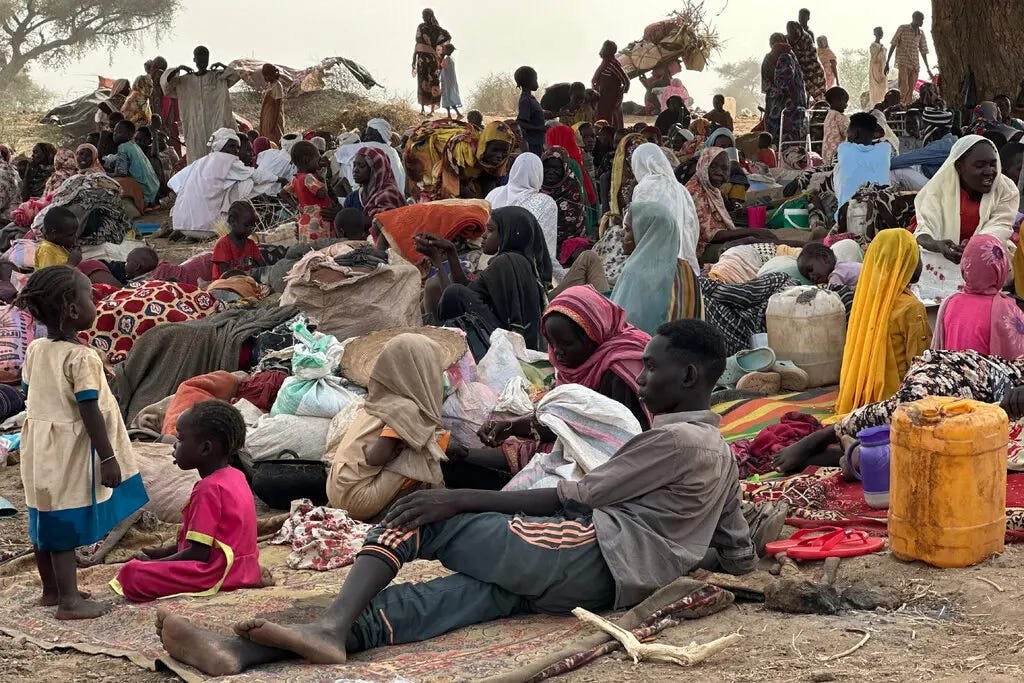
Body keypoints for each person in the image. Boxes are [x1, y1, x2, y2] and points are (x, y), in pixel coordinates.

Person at [154, 318, 759, 676]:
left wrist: (463, 500)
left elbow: (574, 497)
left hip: (592, 554)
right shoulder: (717, 449)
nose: (641, 377)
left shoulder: (674, 440)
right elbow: (736, 547)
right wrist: (699, 559)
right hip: (603, 580)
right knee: (446, 601)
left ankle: (333, 624)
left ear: (689, 377)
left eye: (651, 368)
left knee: (422, 515)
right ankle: (240, 654)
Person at [17, 266, 148, 619]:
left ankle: (51, 591)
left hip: (40, 448)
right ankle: (70, 602)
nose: (96, 302)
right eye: (90, 296)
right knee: (65, 520)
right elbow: (89, 409)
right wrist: (108, 457)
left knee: (44, 515)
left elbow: (31, 391)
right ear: (72, 309)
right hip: (68, 450)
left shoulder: (37, 348)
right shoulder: (81, 357)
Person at [112, 401, 266, 601]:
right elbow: (207, 542)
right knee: (143, 565)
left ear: (205, 448)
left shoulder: (208, 488)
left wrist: (156, 564)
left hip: (219, 573)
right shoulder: (237, 476)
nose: (174, 445)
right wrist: (161, 553)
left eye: (181, 439)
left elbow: (199, 553)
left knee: (131, 573)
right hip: (245, 567)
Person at [327, 334, 450, 520]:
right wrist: (401, 450)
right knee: (427, 448)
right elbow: (375, 457)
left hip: (336, 490)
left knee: (424, 440)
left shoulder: (377, 402)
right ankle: (403, 513)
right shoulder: (404, 409)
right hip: (357, 499)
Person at [420, 206, 551, 355]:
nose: (483, 235)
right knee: (450, 286)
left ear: (507, 234)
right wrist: (451, 251)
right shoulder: (518, 260)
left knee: (453, 291)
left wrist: (436, 261)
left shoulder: (506, 262)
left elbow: (455, 298)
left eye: (490, 230)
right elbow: (469, 289)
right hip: (511, 339)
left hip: (505, 345)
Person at [833, 228, 929, 415]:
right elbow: (920, 363)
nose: (920, 264)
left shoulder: (866, 297)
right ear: (903, 262)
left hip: (863, 396)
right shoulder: (911, 307)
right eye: (916, 256)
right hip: (895, 402)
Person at [541, 285, 651, 427]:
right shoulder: (578, 364)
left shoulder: (619, 371)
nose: (557, 351)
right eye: (552, 343)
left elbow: (625, 430)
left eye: (566, 343)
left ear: (594, 334)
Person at [914, 135, 1017, 264]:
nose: (989, 171)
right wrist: (937, 245)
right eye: (980, 165)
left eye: (993, 164)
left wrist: (975, 245)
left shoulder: (1005, 189)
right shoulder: (938, 189)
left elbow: (1000, 226)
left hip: (986, 256)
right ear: (959, 167)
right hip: (942, 256)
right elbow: (923, 230)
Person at [612, 202, 701, 334]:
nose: (622, 234)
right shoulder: (686, 269)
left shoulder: (636, 272)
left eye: (628, 229)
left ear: (645, 233)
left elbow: (620, 327)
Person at [931, 234, 1024, 359]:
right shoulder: (1008, 311)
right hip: (987, 372)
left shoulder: (949, 302)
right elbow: (1018, 360)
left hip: (952, 371)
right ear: (1001, 266)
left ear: (965, 264)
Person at [630, 142, 700, 273]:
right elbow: (694, 228)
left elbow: (637, 227)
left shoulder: (645, 187)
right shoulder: (682, 189)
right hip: (686, 264)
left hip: (656, 261)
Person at [162, 46, 240, 162]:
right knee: (197, 163)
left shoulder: (218, 77)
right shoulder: (185, 81)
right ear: (194, 59)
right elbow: (166, 87)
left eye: (205, 56)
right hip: (195, 129)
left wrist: (223, 66)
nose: (203, 59)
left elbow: (236, 75)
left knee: (220, 160)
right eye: (199, 56)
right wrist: (178, 69)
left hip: (217, 126)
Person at [485, 153, 560, 274]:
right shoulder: (545, 202)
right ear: (539, 174)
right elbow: (545, 248)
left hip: (486, 260)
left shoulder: (494, 193)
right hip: (523, 267)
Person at [686, 147, 764, 261]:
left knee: (756, 242)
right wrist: (753, 231)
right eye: (713, 166)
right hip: (698, 250)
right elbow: (711, 235)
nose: (719, 172)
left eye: (724, 168)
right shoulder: (694, 191)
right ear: (703, 165)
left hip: (713, 243)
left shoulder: (713, 190)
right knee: (750, 248)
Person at [834, 112, 892, 212]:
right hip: (879, 212)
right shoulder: (882, 158)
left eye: (849, 131)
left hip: (851, 214)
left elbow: (843, 199)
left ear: (855, 134)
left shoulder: (844, 163)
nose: (847, 134)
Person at [764, 34, 807, 147]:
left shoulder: (784, 57)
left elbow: (783, 83)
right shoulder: (789, 56)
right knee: (790, 137)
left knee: (781, 136)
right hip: (789, 104)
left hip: (782, 105)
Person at [889, 106, 956, 180]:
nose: (923, 131)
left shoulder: (944, 146)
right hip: (927, 173)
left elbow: (913, 157)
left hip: (935, 182)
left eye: (926, 127)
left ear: (938, 129)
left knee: (898, 172)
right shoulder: (948, 142)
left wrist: (885, 164)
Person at [105, 119, 160, 207]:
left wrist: (105, 174)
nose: (115, 134)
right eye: (115, 131)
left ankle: (141, 202)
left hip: (145, 192)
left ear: (129, 135)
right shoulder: (134, 145)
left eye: (119, 132)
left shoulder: (123, 147)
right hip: (153, 189)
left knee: (113, 182)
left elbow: (121, 173)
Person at [541, 147, 588, 246]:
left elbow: (573, 223)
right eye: (547, 167)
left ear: (564, 168)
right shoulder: (536, 186)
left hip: (569, 243)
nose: (551, 171)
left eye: (556, 168)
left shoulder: (572, 187)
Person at [288, 140, 333, 242]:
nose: (318, 162)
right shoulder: (308, 177)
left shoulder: (296, 179)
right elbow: (322, 193)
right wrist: (322, 179)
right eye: (317, 159)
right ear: (307, 160)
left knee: (308, 248)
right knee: (321, 247)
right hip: (317, 222)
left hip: (305, 221)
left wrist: (296, 206)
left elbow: (283, 193)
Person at [886, 11, 933, 106]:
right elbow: (893, 44)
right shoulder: (903, 28)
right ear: (915, 18)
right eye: (921, 20)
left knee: (911, 90)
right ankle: (900, 107)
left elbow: (923, 51)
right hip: (903, 62)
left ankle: (906, 108)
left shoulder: (921, 33)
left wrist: (928, 69)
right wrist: (887, 63)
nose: (922, 22)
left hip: (915, 65)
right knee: (904, 88)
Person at [349, 146, 405, 221]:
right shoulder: (355, 196)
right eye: (354, 165)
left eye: (361, 166)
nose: (355, 170)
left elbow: (384, 222)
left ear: (375, 170)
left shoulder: (388, 193)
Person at [413, 8, 451, 115]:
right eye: (423, 15)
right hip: (423, 60)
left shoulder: (433, 28)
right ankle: (422, 109)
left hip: (431, 59)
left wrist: (438, 48)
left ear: (430, 16)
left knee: (433, 82)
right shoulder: (423, 27)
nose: (423, 17)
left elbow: (447, 37)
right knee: (422, 82)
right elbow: (418, 42)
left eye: (425, 15)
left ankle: (432, 110)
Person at [211, 201, 263, 280]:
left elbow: (262, 265)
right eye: (246, 225)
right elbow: (226, 275)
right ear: (232, 221)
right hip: (224, 284)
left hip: (245, 281)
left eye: (252, 226)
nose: (250, 229)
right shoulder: (223, 244)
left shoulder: (251, 244)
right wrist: (249, 275)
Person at [592, 40, 630, 130]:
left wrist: (619, 98)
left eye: (604, 48)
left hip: (610, 101)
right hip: (602, 100)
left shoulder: (613, 64)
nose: (601, 50)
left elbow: (626, 81)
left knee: (611, 124)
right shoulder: (605, 63)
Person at [787, 21, 825, 103]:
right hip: (801, 73)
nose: (793, 35)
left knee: (821, 99)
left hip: (813, 71)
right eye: (790, 32)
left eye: (795, 31)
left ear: (799, 29)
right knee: (803, 97)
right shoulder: (789, 40)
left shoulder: (806, 39)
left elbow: (807, 56)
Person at [515, 66, 546, 156]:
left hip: (538, 141)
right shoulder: (526, 100)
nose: (537, 82)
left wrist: (560, 114)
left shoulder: (531, 98)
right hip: (532, 143)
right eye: (535, 79)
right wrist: (539, 128)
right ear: (528, 81)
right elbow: (520, 122)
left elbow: (535, 115)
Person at [821, 87, 850, 164]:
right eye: (845, 102)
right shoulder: (839, 117)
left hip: (827, 154)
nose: (846, 105)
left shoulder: (829, 115)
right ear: (836, 101)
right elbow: (849, 133)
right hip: (837, 155)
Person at [259, 64, 284, 145]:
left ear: (271, 74)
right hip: (266, 116)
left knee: (274, 139)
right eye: (264, 76)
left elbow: (278, 107)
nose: (265, 78)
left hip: (273, 118)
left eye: (266, 75)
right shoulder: (269, 85)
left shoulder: (277, 85)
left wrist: (274, 125)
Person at [440, 44, 462, 120]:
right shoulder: (451, 59)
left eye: (444, 49)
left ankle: (457, 114)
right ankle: (450, 114)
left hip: (447, 82)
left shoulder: (446, 59)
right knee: (448, 98)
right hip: (450, 81)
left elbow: (443, 67)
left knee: (447, 98)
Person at [868, 27, 887, 107]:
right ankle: (875, 106)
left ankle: (882, 105)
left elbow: (884, 59)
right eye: (878, 32)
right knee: (876, 87)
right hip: (875, 69)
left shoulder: (883, 47)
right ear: (875, 34)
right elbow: (875, 58)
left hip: (883, 69)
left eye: (881, 32)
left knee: (883, 88)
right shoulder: (873, 46)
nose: (880, 34)